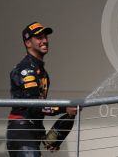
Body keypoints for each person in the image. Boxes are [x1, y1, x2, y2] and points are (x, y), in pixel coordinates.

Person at [7, 22, 77, 157]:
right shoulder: (26, 69)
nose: (45, 40)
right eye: (39, 37)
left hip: (30, 130)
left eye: (45, 37)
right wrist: (64, 108)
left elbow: (36, 111)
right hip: (21, 131)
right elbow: (33, 105)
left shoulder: (41, 72)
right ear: (28, 43)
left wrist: (47, 137)